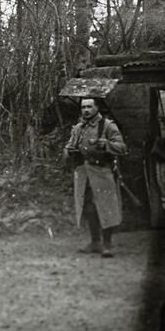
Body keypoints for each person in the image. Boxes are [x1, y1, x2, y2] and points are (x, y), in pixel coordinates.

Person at [64, 98, 127, 257]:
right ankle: (95, 242)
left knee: (106, 208)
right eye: (83, 107)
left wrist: (104, 143)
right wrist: (69, 150)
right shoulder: (78, 128)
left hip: (102, 172)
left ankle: (107, 245)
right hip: (84, 174)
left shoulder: (107, 126)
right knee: (89, 208)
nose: (86, 110)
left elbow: (122, 148)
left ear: (97, 108)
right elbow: (68, 146)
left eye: (89, 107)